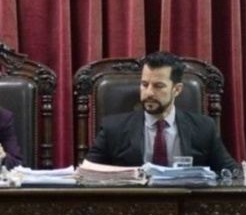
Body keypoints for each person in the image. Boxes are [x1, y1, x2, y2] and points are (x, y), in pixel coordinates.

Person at [85, 51, 238, 173]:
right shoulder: (114, 128)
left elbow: (232, 172)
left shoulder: (204, 127)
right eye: (144, 84)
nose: (149, 93)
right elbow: (87, 172)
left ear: (176, 89)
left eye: (158, 86)